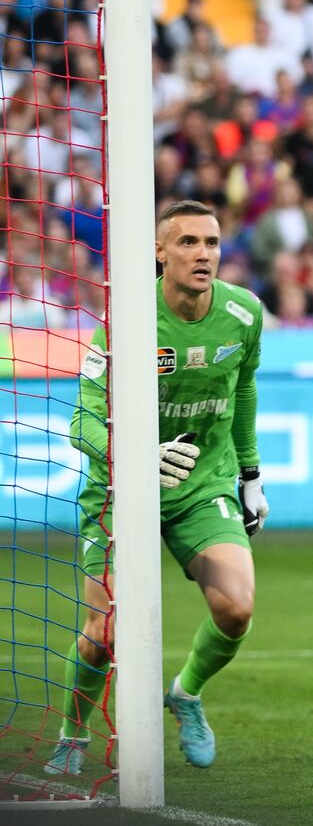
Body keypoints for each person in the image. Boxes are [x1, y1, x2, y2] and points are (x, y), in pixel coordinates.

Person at [49, 200, 269, 775]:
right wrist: (138, 457)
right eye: (189, 242)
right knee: (105, 634)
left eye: (213, 243)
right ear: (159, 251)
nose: (204, 254)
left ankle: (187, 694)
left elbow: (243, 394)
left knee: (236, 609)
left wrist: (250, 474)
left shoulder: (244, 313)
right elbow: (83, 420)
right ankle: (74, 731)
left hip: (201, 486)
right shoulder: (125, 318)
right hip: (120, 491)